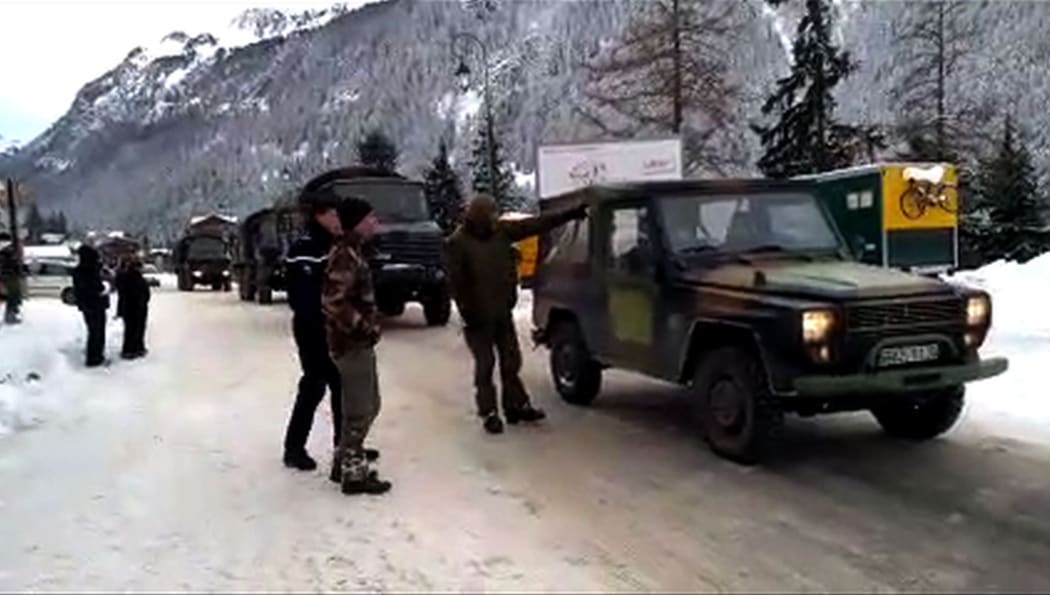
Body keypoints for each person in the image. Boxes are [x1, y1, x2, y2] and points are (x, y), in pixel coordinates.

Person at [443, 194, 587, 434]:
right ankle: (489, 412)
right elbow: (456, 285)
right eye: (491, 214)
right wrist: (469, 314)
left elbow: (536, 224)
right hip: (478, 318)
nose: (495, 218)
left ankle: (515, 406)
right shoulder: (457, 243)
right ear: (479, 216)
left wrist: (570, 213)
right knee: (485, 366)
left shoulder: (501, 231)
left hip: (502, 311)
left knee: (511, 362)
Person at [282, 189, 367, 472]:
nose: (337, 219)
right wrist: (320, 324)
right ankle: (294, 448)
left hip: (332, 327)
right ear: (318, 215)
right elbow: (304, 297)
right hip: (312, 328)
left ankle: (345, 446)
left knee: (340, 385)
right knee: (314, 385)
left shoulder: (335, 244)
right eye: (332, 214)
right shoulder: (305, 249)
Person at [323, 196, 390, 495]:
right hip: (351, 344)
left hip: (356, 342)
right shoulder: (345, 254)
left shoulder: (353, 251)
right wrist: (365, 326)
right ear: (358, 222)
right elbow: (334, 301)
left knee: (368, 404)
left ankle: (343, 463)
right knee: (360, 409)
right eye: (371, 218)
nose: (376, 223)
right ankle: (353, 473)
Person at [72, 244, 110, 367]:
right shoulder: (88, 270)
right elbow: (93, 287)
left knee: (95, 331)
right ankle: (94, 358)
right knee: (96, 332)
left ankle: (96, 355)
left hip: (88, 305)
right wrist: (103, 288)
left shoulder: (80, 270)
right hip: (94, 304)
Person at [115, 255, 151, 359]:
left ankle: (135, 348)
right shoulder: (135, 278)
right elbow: (143, 293)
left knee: (133, 329)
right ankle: (132, 350)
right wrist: (144, 301)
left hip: (130, 307)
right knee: (135, 329)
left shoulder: (125, 276)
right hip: (136, 307)